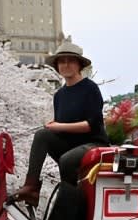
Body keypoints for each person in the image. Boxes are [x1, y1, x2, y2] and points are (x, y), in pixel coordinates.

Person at [13, 39, 109, 207]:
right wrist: (54, 127)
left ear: (79, 65)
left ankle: (70, 203)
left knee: (67, 159)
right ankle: (31, 187)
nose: (65, 65)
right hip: (70, 145)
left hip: (93, 144)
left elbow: (91, 125)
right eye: (62, 61)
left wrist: (59, 126)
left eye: (70, 61)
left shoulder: (90, 88)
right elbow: (62, 128)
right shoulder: (59, 95)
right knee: (42, 135)